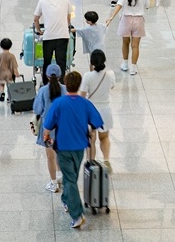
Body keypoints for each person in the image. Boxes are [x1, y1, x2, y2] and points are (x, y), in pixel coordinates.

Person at [42, 71, 104, 230]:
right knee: (72, 177)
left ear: (66, 84)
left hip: (63, 147)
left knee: (69, 180)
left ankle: (77, 215)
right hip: (79, 147)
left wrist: (46, 137)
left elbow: (47, 125)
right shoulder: (85, 103)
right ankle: (66, 199)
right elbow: (97, 122)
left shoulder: (59, 103)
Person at [105, 0, 150, 75]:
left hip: (126, 20)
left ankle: (125, 64)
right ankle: (133, 68)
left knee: (125, 42)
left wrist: (111, 17)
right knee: (135, 46)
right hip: (139, 21)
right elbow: (147, 6)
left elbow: (119, 6)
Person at [79, 49, 115, 169]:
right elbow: (112, 86)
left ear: (92, 63)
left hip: (92, 111)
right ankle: (106, 160)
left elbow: (82, 96)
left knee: (91, 140)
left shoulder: (88, 76)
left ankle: (91, 163)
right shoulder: (110, 74)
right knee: (104, 137)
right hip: (106, 109)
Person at [33, 0, 74, 84]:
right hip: (63, 35)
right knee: (61, 61)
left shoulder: (42, 1)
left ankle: (46, 83)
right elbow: (68, 18)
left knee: (47, 61)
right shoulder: (65, 1)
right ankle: (61, 83)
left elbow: (35, 19)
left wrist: (38, 31)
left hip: (48, 36)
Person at [33, 64, 63, 193]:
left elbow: (37, 109)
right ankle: (61, 175)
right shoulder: (65, 90)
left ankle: (53, 182)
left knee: (50, 156)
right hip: (63, 126)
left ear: (46, 76)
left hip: (48, 128)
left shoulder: (43, 91)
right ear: (61, 76)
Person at [0, 38, 20, 102]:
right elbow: (14, 66)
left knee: (1, 84)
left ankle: (2, 93)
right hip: (9, 74)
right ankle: (9, 97)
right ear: (10, 46)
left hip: (1, 73)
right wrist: (16, 73)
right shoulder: (12, 56)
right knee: (10, 86)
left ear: (1, 46)